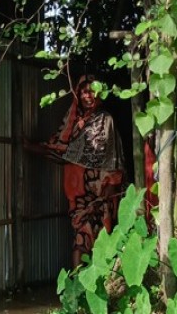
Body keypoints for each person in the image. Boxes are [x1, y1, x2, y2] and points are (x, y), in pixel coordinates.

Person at [25, 75, 126, 268]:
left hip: (102, 194)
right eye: (84, 91)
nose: (89, 96)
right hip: (80, 196)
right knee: (81, 238)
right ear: (78, 94)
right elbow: (61, 151)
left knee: (99, 241)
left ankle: (93, 286)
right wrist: (33, 148)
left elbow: (112, 157)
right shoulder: (72, 123)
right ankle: (80, 287)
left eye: (92, 91)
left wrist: (109, 191)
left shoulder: (105, 120)